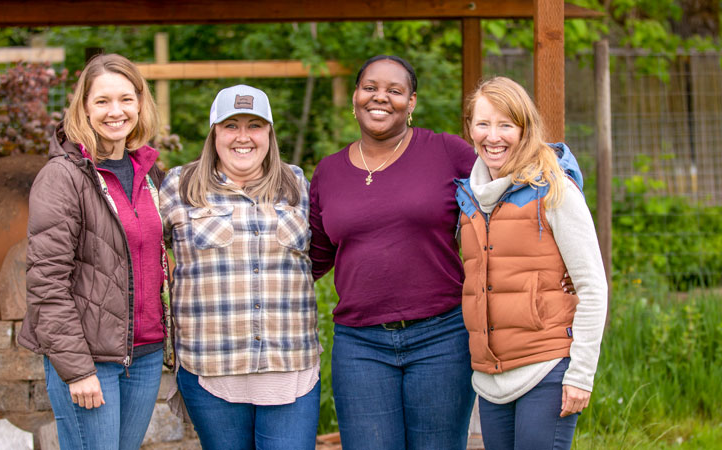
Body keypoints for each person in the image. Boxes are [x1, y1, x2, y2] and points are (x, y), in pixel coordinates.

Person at [309, 55, 477, 450]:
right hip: (360, 344)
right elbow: (313, 258)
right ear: (355, 97)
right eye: (369, 87)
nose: (379, 97)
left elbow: (505, 200)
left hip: (441, 337)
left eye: (394, 90)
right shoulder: (329, 172)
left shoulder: (447, 153)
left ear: (412, 101)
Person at [19, 53, 168, 450]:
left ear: (140, 102)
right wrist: (77, 370)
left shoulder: (150, 173)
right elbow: (46, 282)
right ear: (83, 107)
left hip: (146, 354)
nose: (115, 111)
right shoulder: (63, 177)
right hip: (91, 359)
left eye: (126, 99)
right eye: (102, 101)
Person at [160, 84, 321, 450]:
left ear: (270, 133)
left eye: (255, 125)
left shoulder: (297, 185)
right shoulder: (179, 186)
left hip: (290, 365)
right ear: (214, 132)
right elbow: (141, 255)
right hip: (211, 367)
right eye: (231, 126)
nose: (243, 137)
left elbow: (324, 252)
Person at [455, 76, 607, 450]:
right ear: (470, 129)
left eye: (506, 125)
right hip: (492, 378)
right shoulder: (467, 199)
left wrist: (581, 375)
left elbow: (592, 286)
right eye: (483, 124)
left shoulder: (555, 189)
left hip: (547, 368)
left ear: (525, 129)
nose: (494, 136)